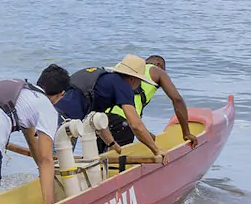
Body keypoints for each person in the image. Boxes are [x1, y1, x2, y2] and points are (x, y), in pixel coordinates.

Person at [54, 54, 196, 162]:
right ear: (134, 78)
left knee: (55, 162)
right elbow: (135, 125)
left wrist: (111, 142)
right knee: (60, 163)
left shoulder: (104, 81)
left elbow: (96, 118)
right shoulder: (123, 86)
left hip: (51, 115)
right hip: (64, 124)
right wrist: (156, 150)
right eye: (140, 80)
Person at [0, 77, 60, 204]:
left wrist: (42, 172)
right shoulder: (47, 107)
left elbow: (32, 143)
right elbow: (46, 159)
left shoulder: (20, 89)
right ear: (60, 95)